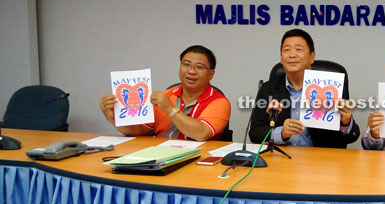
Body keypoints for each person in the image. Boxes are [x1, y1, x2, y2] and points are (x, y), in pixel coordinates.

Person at [249, 29, 359, 148]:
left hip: (321, 160)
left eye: (299, 49)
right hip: (282, 159)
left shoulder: (330, 88)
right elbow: (255, 133)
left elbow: (351, 137)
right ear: (281, 58)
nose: (292, 55)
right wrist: (280, 133)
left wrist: (345, 122)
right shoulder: (268, 88)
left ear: (312, 57)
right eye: (286, 50)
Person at [99, 45, 230, 141]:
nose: (191, 71)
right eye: (186, 64)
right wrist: (113, 117)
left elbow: (201, 133)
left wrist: (170, 109)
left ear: (211, 74)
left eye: (199, 67)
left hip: (198, 160)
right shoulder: (166, 95)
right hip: (161, 157)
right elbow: (140, 131)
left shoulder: (219, 102)